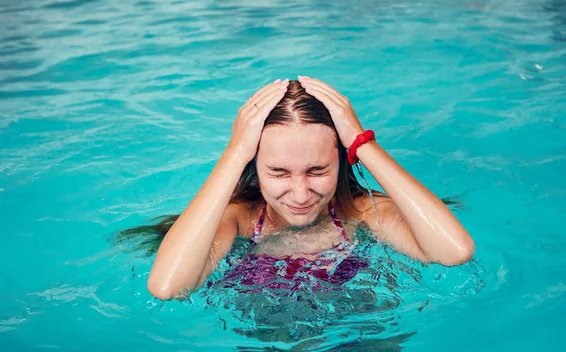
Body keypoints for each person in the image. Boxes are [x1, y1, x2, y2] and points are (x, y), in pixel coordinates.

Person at [121, 76, 474, 300]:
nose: (301, 194)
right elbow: (168, 288)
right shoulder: (239, 220)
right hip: (271, 337)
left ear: (341, 160)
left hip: (361, 322)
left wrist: (361, 143)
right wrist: (235, 152)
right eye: (278, 173)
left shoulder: (360, 210)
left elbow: (454, 252)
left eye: (318, 170)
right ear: (253, 167)